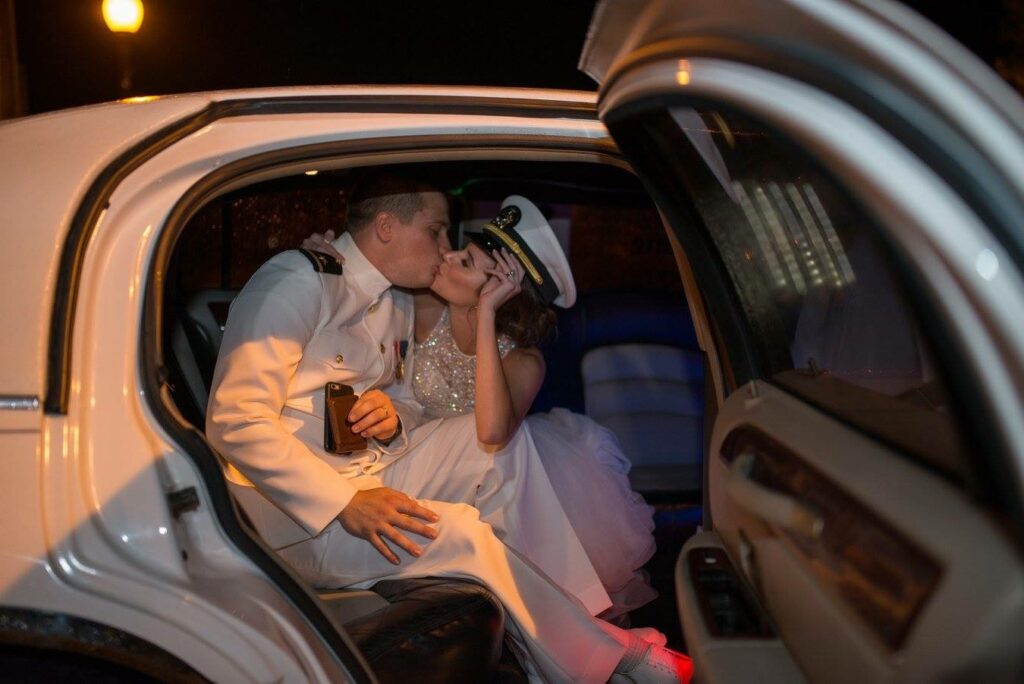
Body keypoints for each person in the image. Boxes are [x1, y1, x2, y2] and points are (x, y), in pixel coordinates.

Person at [206, 174, 692, 683]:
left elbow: (408, 401)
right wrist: (343, 502)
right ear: (388, 227)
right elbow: (234, 421)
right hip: (294, 522)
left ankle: (564, 627)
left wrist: (394, 418)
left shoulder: (393, 299)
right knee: (461, 529)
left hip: (371, 472)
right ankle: (608, 661)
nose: (446, 249)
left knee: (496, 446)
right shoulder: (300, 281)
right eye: (437, 232)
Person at [305, 195, 657, 619]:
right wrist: (331, 257)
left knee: (507, 452)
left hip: (495, 480)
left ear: (500, 291)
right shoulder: (419, 303)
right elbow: (368, 277)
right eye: (458, 250)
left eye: (466, 263)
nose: (447, 257)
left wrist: (486, 314)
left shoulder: (525, 360)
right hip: (415, 460)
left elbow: (491, 433)